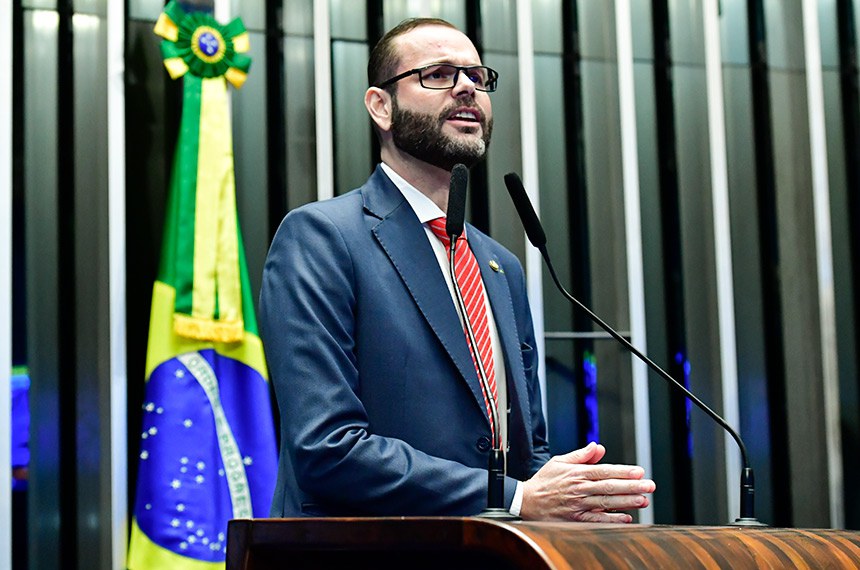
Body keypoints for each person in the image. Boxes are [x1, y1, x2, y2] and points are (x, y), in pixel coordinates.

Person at [259, 17, 655, 521]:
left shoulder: (498, 265)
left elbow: (524, 452)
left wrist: (570, 497)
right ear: (382, 106)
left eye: (477, 76)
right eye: (439, 74)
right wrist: (514, 499)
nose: (468, 87)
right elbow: (326, 448)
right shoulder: (322, 237)